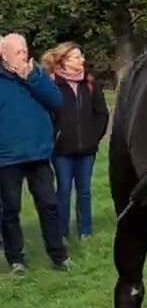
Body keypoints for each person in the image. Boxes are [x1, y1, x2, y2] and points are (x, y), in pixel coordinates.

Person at [0, 33, 68, 275]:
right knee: (10, 210)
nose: (24, 55)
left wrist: (32, 78)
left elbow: (57, 102)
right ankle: (16, 259)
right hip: (7, 158)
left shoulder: (37, 75)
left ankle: (58, 255)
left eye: (25, 49)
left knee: (49, 205)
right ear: (4, 56)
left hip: (39, 155)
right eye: (18, 52)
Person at [42, 41, 110, 241]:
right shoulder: (52, 83)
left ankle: (85, 231)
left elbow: (102, 113)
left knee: (85, 191)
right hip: (62, 149)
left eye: (81, 56)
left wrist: (93, 136)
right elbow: (46, 115)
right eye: (77, 57)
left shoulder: (89, 82)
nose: (82, 60)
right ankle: (62, 232)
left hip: (87, 149)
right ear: (64, 60)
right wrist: (55, 137)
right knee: (63, 191)